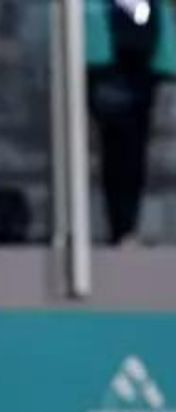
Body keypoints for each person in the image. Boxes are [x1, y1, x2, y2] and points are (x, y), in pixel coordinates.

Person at [85, 0, 176, 245]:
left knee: (125, 154)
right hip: (110, 62)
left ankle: (123, 226)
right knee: (122, 153)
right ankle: (121, 226)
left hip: (128, 65)